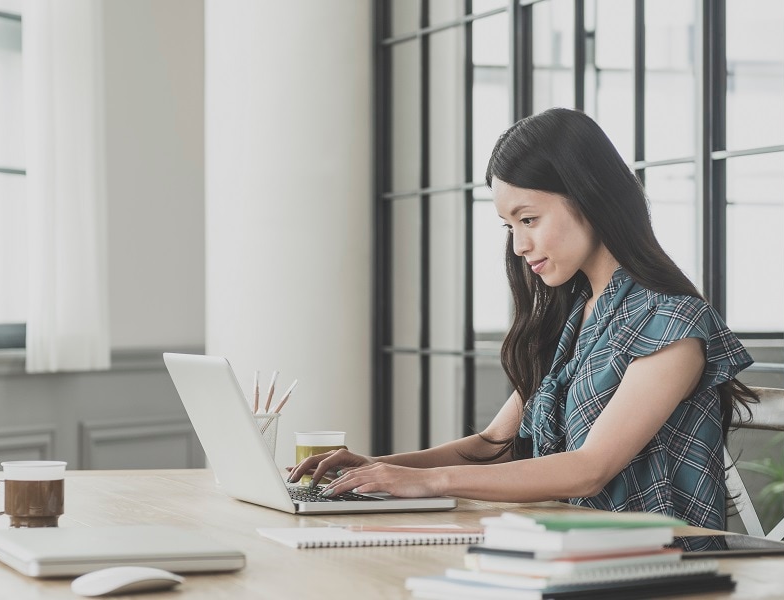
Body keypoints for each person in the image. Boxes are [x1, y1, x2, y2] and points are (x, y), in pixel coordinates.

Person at [287, 107, 756, 530]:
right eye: (509, 227)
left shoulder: (673, 323)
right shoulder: (572, 317)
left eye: (528, 219)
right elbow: (495, 444)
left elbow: (590, 469)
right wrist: (376, 468)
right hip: (562, 548)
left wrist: (427, 482)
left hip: (654, 565)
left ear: (589, 199)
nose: (518, 246)